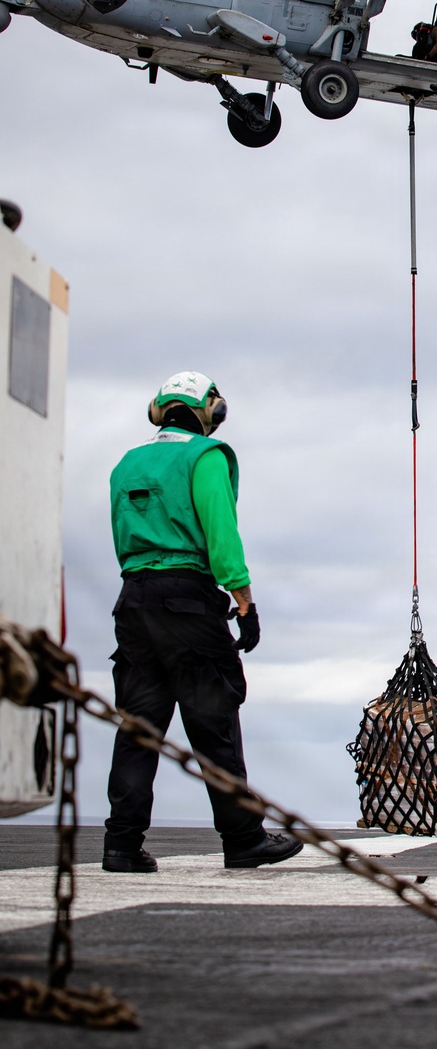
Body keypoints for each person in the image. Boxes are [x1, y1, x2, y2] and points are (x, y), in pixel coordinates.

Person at [102, 370, 303, 873]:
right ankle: (242, 839)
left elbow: (121, 534)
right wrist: (244, 600)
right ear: (209, 410)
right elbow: (221, 532)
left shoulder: (126, 464)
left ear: (159, 409)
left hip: (133, 601)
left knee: (137, 728)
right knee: (214, 723)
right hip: (189, 600)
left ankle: (121, 845)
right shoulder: (206, 457)